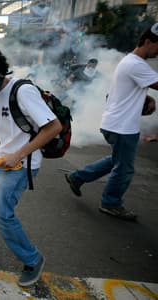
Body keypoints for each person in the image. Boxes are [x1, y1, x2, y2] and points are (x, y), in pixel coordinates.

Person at [0, 48, 61, 287]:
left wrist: (18, 154)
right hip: (0, 157)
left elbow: (53, 127)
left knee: (1, 213)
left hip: (23, 163)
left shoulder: (23, 91)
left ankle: (33, 260)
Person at [65, 24, 158, 221]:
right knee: (124, 168)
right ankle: (111, 203)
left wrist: (147, 98)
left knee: (117, 160)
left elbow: (125, 92)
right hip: (123, 126)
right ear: (148, 41)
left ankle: (77, 177)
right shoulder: (136, 64)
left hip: (117, 123)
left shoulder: (130, 62)